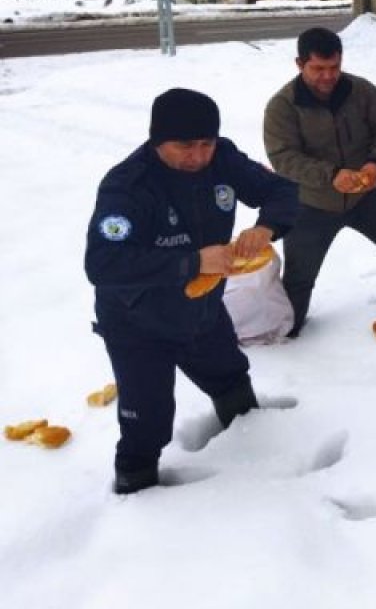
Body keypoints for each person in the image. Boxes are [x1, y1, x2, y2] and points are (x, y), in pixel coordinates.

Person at [85, 88, 299, 495]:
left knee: (231, 378)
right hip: (138, 323)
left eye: (206, 143)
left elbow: (282, 191)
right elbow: (103, 264)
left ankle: (256, 456)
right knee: (147, 421)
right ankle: (135, 491)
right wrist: (193, 262)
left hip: (201, 310)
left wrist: (266, 226)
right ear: (157, 140)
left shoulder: (222, 158)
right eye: (185, 145)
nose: (198, 155)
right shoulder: (127, 187)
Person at [263, 27, 376, 337]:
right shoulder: (283, 106)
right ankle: (288, 334)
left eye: (334, 67)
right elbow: (283, 158)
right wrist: (331, 175)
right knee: (298, 280)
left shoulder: (360, 91)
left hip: (365, 198)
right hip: (310, 205)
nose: (327, 76)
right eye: (318, 68)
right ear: (299, 64)